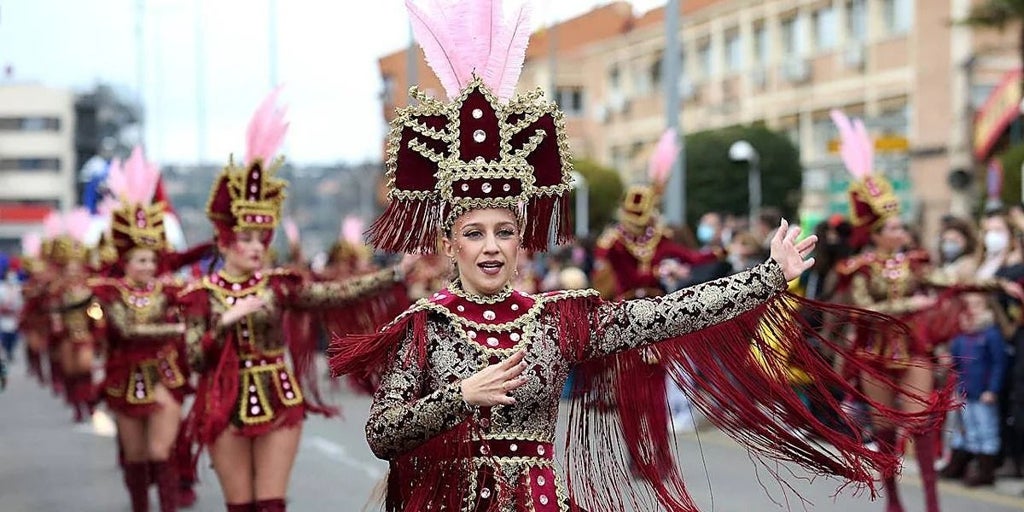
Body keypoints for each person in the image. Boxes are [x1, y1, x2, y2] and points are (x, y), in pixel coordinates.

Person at [330, 4, 951, 510]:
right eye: (474, 233)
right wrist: (461, 396)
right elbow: (381, 433)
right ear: (448, 243)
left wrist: (767, 278)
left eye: (503, 231)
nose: (490, 246)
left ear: (522, 240)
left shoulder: (557, 320)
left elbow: (669, 313)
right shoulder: (424, 327)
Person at [176, 90, 415, 512]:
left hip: (278, 395)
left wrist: (395, 275)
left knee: (270, 503)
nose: (255, 248)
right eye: (245, 239)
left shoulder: (280, 285)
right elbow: (194, 358)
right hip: (221, 399)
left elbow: (334, 293)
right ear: (224, 240)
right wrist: (227, 319)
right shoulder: (199, 296)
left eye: (261, 239)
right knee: (240, 505)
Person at [89, 147, 192, 512]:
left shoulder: (171, 290)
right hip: (124, 376)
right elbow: (124, 329)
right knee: (134, 455)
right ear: (126, 262)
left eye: (151, 259)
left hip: (164, 373)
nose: (147, 266)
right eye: (140, 260)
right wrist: (173, 329)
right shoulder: (111, 292)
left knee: (159, 451)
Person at [940, 293, 1008, 486]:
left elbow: (998, 364)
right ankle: (970, 466)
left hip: (982, 392)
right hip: (965, 392)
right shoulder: (961, 336)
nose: (972, 310)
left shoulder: (990, 334)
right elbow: (956, 363)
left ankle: (986, 469)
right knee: (969, 429)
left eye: (977, 305)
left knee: (986, 429)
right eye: (968, 306)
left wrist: (993, 389)